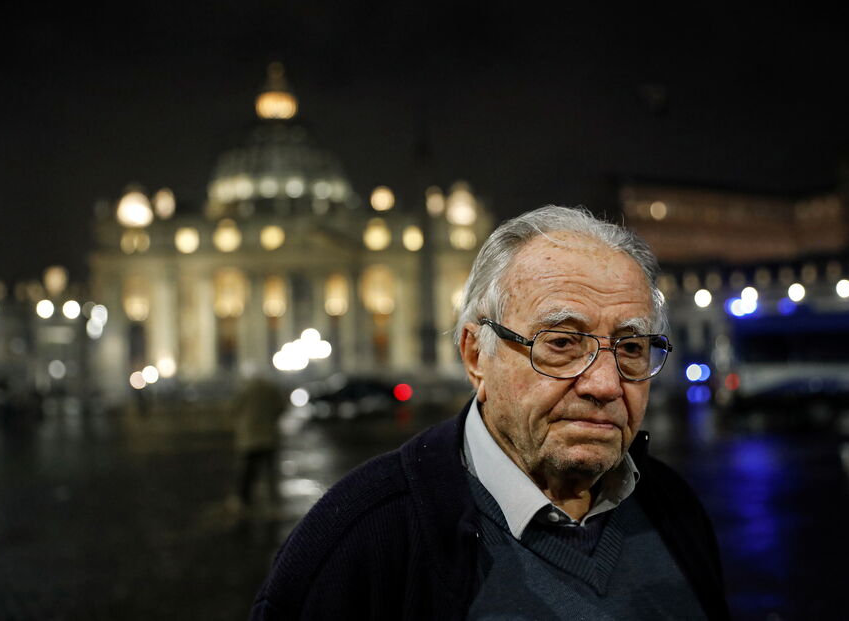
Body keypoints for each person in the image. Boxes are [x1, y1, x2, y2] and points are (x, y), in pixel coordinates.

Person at [249, 205, 731, 620]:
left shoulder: (674, 508)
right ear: (477, 355)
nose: (605, 384)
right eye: (560, 344)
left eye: (630, 347)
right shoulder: (357, 542)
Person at [230, 371, 287, 517]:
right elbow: (281, 408)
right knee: (270, 471)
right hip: (268, 436)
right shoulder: (271, 390)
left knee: (248, 471)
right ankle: (272, 502)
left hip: (250, 437)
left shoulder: (246, 390)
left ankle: (244, 501)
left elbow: (235, 409)